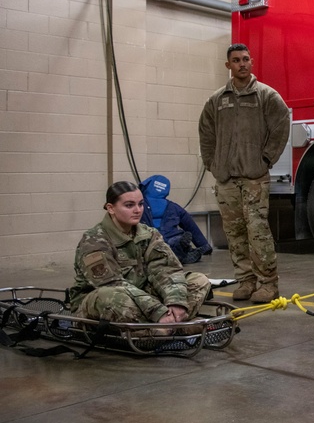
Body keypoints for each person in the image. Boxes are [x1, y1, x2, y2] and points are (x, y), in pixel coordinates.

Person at [199, 43, 290, 303]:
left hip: (254, 178)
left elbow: (281, 125)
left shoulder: (266, 96)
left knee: (258, 232)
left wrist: (266, 159)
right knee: (235, 234)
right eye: (236, 60)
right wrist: (212, 163)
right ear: (228, 65)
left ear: (252, 62)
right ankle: (246, 281)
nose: (242, 64)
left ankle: (268, 284)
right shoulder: (217, 100)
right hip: (226, 179)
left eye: (246, 59)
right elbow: (206, 133)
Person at [68, 181, 211, 326]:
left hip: (142, 298)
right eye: (129, 205)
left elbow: (166, 269)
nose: (138, 210)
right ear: (110, 208)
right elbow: (110, 284)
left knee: (199, 280)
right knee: (109, 296)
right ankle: (171, 327)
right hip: (101, 302)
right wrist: (157, 310)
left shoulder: (148, 234)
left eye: (141, 204)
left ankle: (168, 323)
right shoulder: (94, 240)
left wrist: (176, 302)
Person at [140, 174, 213, 264]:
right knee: (175, 242)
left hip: (149, 238)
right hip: (170, 237)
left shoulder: (139, 204)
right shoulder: (174, 206)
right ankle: (182, 252)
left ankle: (175, 253)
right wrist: (204, 246)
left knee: (150, 246)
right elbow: (190, 225)